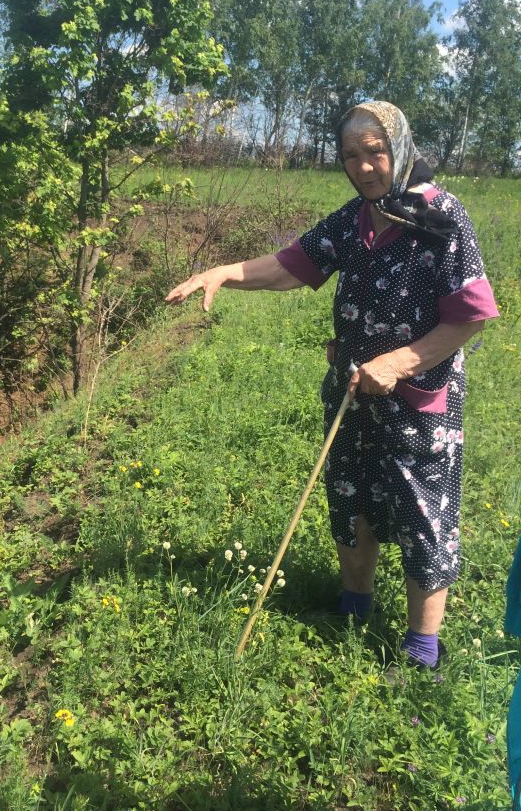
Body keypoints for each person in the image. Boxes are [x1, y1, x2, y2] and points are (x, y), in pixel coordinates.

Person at [166, 101, 499, 669]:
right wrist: (223, 271)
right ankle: (354, 607)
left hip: (420, 403)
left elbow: (471, 315)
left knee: (424, 516)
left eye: (376, 152)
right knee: (352, 501)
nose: (365, 166)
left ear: (400, 148)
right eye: (351, 156)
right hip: (350, 393)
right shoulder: (353, 220)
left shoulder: (442, 217)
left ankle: (422, 650)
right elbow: (291, 265)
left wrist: (399, 364)